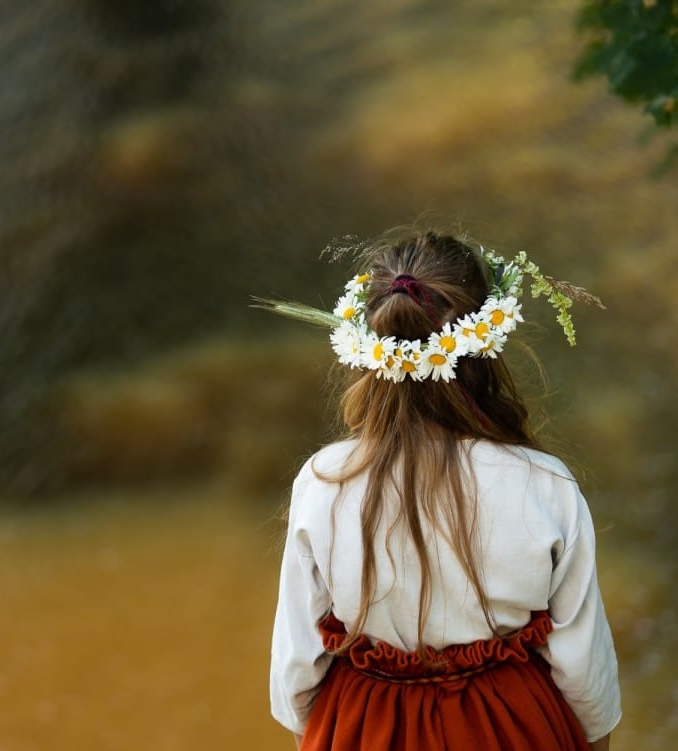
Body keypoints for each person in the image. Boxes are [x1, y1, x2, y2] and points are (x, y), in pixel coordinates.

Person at [265, 231, 621, 750]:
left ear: (367, 345)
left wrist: (321, 735)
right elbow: (583, 667)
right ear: (484, 344)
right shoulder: (545, 483)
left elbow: (298, 668)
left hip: (366, 725)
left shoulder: (324, 481)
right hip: (510, 726)